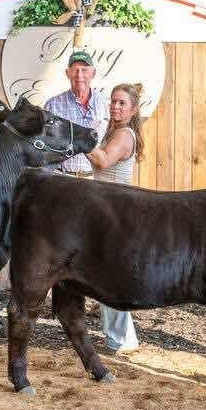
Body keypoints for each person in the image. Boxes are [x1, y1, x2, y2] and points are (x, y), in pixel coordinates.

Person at [84, 82, 146, 354]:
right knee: (105, 273)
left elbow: (103, 161)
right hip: (106, 207)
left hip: (116, 211)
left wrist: (79, 140)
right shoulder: (114, 130)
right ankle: (120, 337)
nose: (115, 106)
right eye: (113, 101)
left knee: (109, 275)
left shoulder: (123, 135)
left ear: (133, 109)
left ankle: (121, 339)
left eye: (122, 103)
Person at [44, 50, 108, 178]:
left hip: (94, 178)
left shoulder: (104, 104)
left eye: (84, 70)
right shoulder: (53, 104)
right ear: (67, 73)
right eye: (75, 70)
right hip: (61, 177)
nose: (79, 75)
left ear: (93, 73)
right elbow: (44, 145)